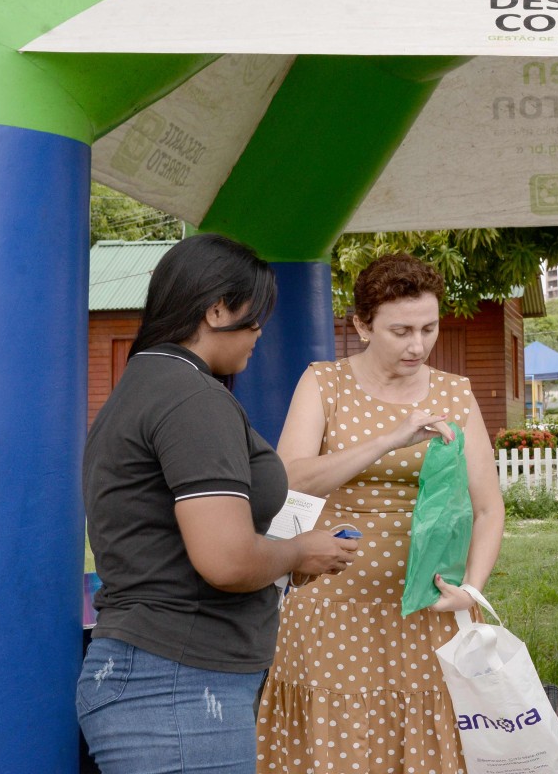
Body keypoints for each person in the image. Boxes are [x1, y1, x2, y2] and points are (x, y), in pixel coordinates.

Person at [78, 233, 359, 774]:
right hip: (177, 687)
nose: (260, 333)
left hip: (163, 678)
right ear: (217, 309)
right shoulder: (193, 399)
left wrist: (280, 559)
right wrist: (298, 551)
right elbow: (226, 560)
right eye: (255, 317)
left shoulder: (144, 384)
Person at [257, 253, 505, 773]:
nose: (418, 345)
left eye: (429, 328)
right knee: (338, 741)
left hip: (427, 603)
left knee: (427, 740)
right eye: (401, 331)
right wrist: (391, 439)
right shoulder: (325, 383)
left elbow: (487, 508)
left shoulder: (455, 393)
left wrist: (471, 589)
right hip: (333, 599)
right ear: (363, 325)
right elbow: (291, 477)